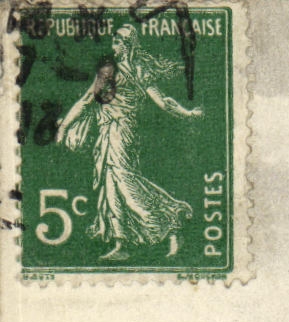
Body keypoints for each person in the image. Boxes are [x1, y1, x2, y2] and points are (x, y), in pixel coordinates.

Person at [56, 30, 202, 260]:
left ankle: (172, 221)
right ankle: (120, 243)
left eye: (118, 41)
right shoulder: (108, 71)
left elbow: (162, 101)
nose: (113, 45)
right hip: (106, 133)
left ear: (127, 45)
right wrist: (64, 126)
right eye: (113, 40)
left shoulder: (136, 70)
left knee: (125, 183)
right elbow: (87, 100)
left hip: (123, 133)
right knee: (111, 186)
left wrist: (187, 113)